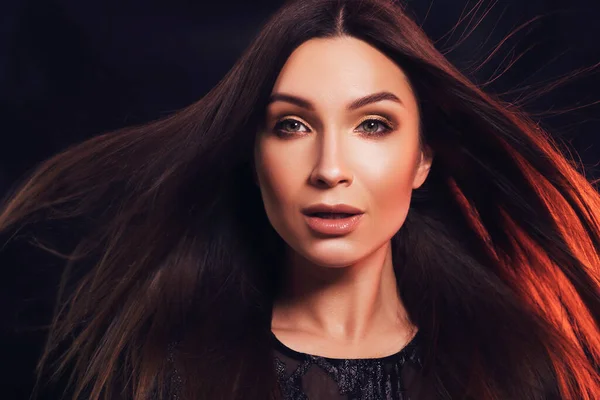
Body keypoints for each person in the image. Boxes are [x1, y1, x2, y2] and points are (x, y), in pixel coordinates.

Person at [1, 0, 599, 398]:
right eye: (292, 125)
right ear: (254, 159)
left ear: (421, 158)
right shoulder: (167, 373)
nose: (329, 169)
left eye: (373, 125)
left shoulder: (515, 369)